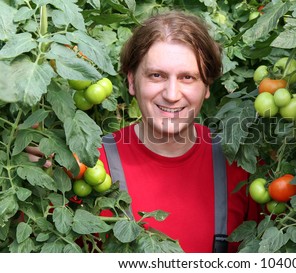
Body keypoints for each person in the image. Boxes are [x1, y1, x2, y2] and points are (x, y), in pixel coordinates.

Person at [94, 10, 261, 253]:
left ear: (206, 86)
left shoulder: (239, 164)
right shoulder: (91, 163)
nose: (172, 95)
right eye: (156, 75)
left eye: (187, 78)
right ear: (131, 81)